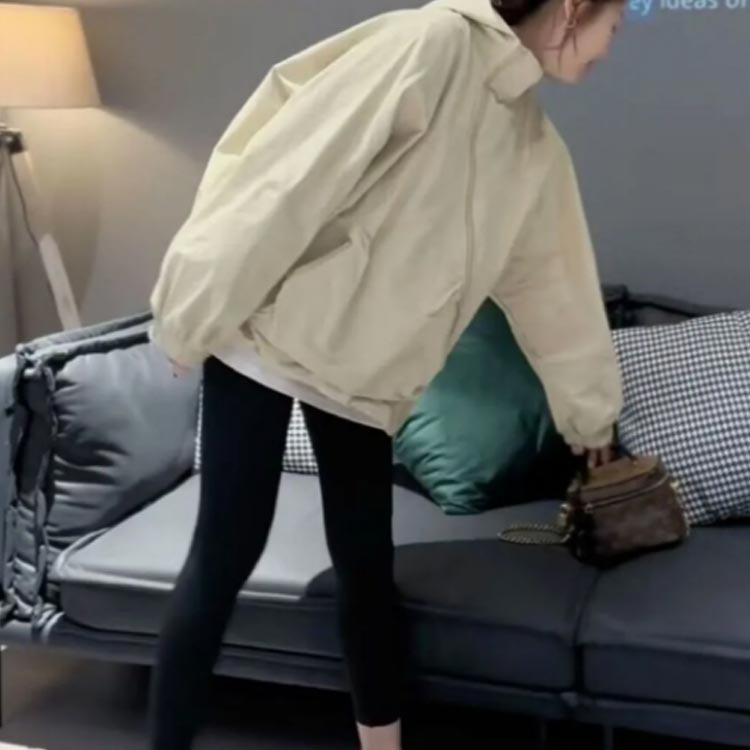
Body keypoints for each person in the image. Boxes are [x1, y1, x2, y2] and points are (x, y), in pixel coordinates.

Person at [147, 0, 625, 748]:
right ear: (571, 9)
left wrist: (590, 417)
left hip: (364, 377)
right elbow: (288, 176)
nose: (607, 51)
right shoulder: (430, 42)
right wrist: (192, 311)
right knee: (226, 553)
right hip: (266, 338)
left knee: (367, 567)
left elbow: (554, 293)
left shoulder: (533, 146)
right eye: (612, 27)